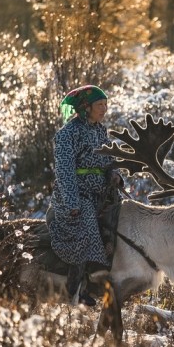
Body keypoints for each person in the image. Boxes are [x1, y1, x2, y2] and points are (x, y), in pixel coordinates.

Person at [48, 85, 122, 306]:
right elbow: (64, 172)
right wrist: (72, 203)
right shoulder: (66, 134)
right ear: (85, 107)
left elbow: (109, 159)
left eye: (106, 104)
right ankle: (76, 290)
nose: (104, 109)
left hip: (102, 194)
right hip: (75, 197)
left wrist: (115, 175)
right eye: (100, 105)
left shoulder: (101, 130)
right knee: (86, 227)